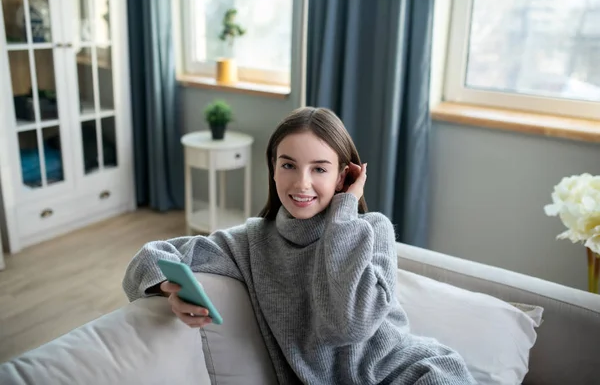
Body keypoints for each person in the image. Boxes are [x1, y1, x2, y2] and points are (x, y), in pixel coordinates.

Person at [122, 107, 475, 384]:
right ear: (273, 170)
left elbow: (348, 325)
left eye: (319, 169)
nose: (301, 183)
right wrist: (171, 287)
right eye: (288, 165)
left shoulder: (373, 231)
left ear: (343, 177)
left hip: (412, 374)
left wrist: (344, 214)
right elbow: (150, 255)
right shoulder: (250, 242)